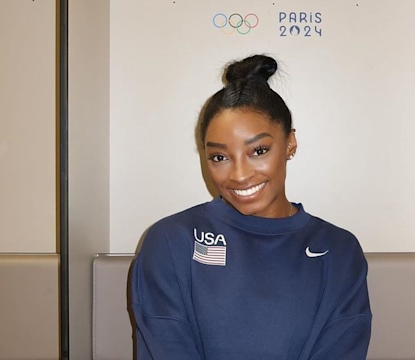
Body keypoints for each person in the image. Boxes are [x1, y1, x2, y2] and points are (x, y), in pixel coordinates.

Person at [130, 54, 372, 360]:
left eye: (258, 150)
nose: (239, 175)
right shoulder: (171, 241)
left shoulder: (338, 250)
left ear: (290, 144)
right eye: (219, 157)